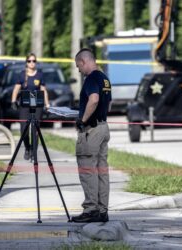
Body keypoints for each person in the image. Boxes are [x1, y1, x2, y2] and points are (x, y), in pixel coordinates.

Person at [72, 48, 112, 223]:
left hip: (92, 131)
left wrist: (82, 119)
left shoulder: (91, 78)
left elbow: (94, 99)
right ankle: (102, 210)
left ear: (83, 61)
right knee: (102, 171)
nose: (78, 70)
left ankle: (91, 210)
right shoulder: (104, 78)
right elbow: (106, 102)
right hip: (103, 127)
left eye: (78, 66)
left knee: (88, 170)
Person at [11, 53, 50, 160]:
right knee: (24, 129)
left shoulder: (40, 75)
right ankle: (27, 147)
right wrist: (13, 101)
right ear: (26, 62)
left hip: (37, 105)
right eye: (29, 61)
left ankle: (34, 152)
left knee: (35, 129)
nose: (32, 63)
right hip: (25, 105)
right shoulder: (22, 75)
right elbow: (16, 89)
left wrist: (47, 104)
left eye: (34, 61)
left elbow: (44, 90)